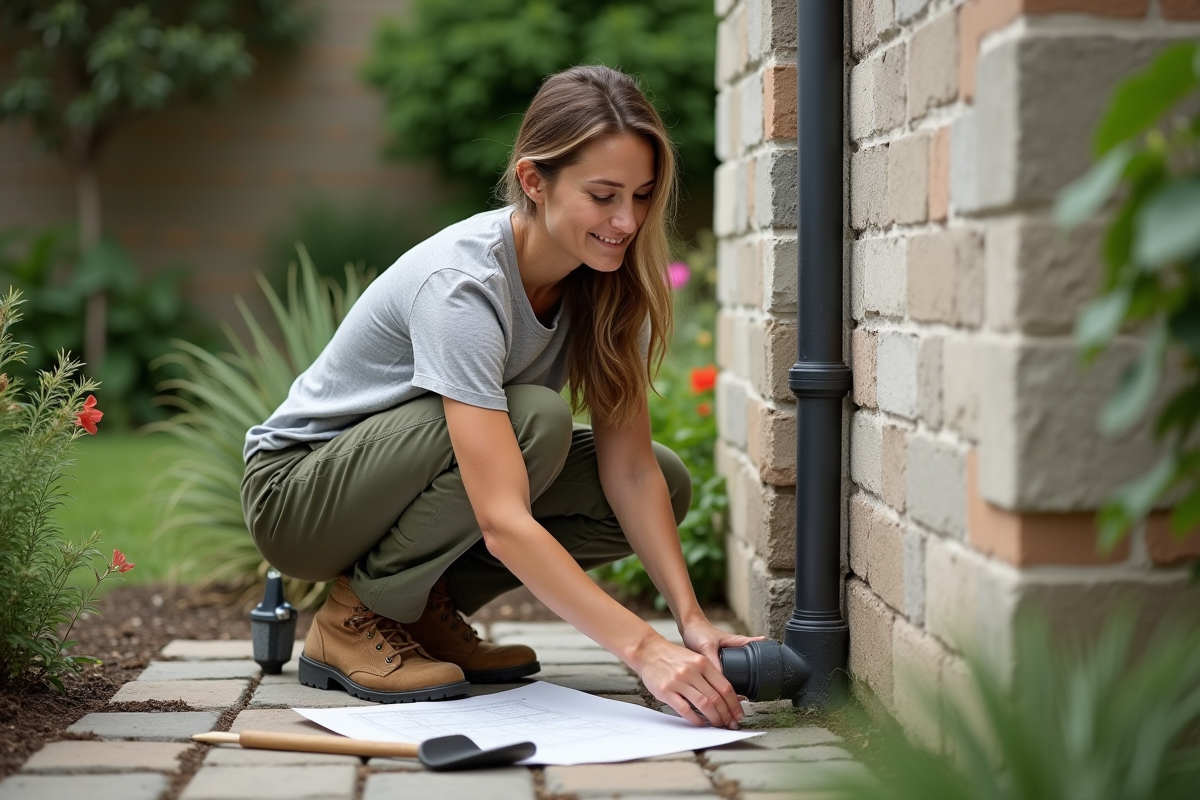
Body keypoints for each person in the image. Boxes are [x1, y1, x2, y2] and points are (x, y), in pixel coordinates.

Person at [240, 65, 758, 730]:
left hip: (400, 483)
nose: (627, 221)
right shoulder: (463, 285)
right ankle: (353, 618)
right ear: (534, 182)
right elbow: (501, 518)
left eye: (641, 195)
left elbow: (628, 471)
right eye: (603, 196)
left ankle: (418, 606)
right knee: (533, 421)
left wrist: (689, 625)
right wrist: (644, 650)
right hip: (300, 496)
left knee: (665, 478)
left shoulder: (608, 287)